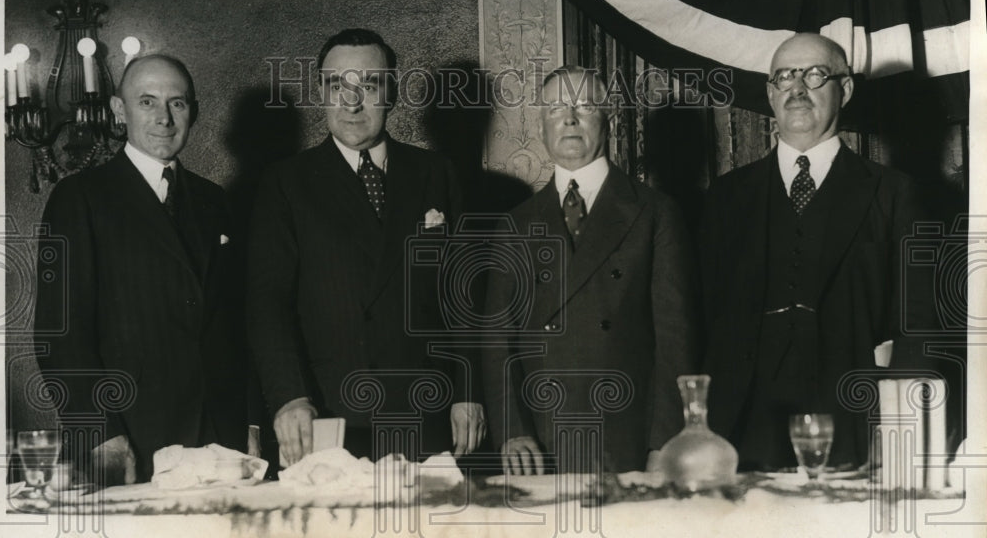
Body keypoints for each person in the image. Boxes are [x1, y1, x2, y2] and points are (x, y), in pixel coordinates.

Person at [247, 28, 484, 467]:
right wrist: (289, 397)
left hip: (429, 415)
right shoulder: (287, 183)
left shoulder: (436, 174)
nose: (352, 102)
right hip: (328, 417)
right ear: (321, 93)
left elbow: (465, 297)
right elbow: (268, 302)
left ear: (391, 92)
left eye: (369, 85)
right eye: (339, 85)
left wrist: (468, 392)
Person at [700, 32, 932, 470]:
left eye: (815, 74)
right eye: (785, 77)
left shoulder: (894, 193)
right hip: (744, 429)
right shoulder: (726, 197)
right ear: (770, 94)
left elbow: (917, 325)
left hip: (855, 426)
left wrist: (900, 429)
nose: (797, 88)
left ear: (844, 89)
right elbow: (704, 321)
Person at [34, 54, 248, 483]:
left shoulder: (214, 201)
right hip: (130, 436)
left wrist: (247, 430)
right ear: (119, 110)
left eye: (178, 103)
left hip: (219, 440)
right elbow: (61, 334)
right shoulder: (81, 198)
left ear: (193, 111)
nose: (164, 119)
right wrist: (100, 434)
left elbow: (235, 324)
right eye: (147, 102)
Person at [482, 65, 699, 475]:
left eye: (584, 106)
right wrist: (512, 430)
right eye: (555, 109)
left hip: (626, 437)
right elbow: (497, 339)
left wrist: (664, 443)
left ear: (610, 117)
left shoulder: (655, 212)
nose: (569, 118)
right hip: (540, 443)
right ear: (542, 124)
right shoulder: (515, 222)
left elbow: (676, 341)